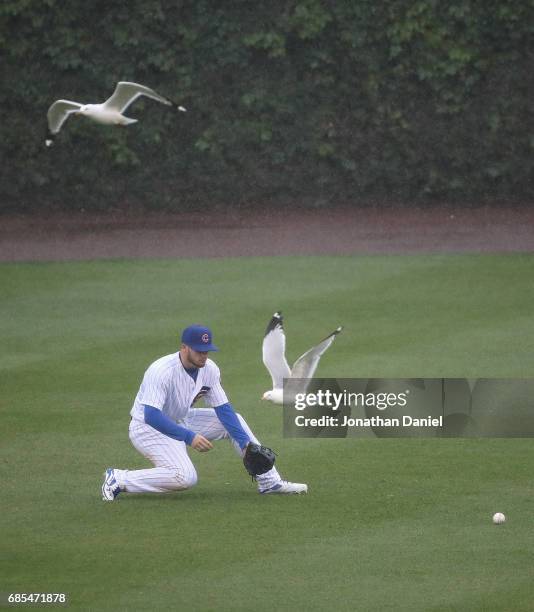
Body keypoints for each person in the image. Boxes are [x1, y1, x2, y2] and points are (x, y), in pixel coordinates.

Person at [101, 324, 308, 501]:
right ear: (184, 348)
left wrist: (245, 444)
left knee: (236, 421)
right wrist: (190, 438)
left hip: (182, 419)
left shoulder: (209, 369)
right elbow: (151, 415)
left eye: (206, 350)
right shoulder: (161, 371)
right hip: (148, 428)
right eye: (199, 351)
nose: (204, 355)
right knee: (185, 477)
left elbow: (223, 409)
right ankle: (119, 479)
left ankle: (269, 482)